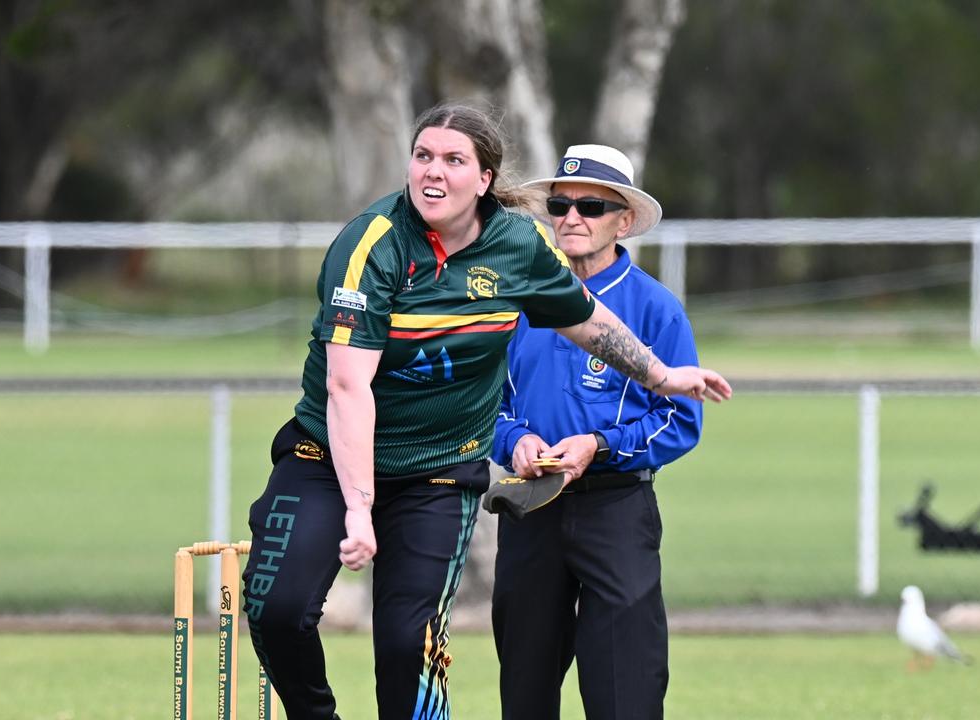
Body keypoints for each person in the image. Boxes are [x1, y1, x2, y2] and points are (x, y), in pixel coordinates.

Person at [241, 107, 731, 720]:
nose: (433, 172)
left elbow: (591, 325)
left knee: (416, 645)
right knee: (277, 610)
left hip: (483, 481)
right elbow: (348, 387)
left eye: (453, 160)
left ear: (484, 178)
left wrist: (653, 382)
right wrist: (362, 505)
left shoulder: (528, 255)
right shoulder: (374, 245)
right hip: (350, 461)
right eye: (423, 156)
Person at [491, 144, 703, 720]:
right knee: (526, 694)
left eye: (590, 206)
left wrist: (600, 445)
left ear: (624, 220)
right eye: (559, 206)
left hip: (616, 509)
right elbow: (486, 404)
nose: (571, 218)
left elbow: (680, 420)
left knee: (624, 693)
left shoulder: (656, 308)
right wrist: (515, 442)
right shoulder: (515, 300)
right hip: (532, 509)